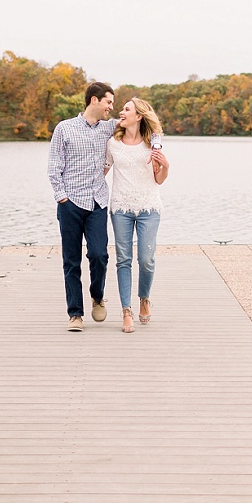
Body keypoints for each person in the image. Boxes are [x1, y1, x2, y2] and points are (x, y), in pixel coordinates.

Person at [46, 82, 118, 332]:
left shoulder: (110, 128)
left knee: (99, 255)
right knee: (71, 260)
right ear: (94, 100)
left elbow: (144, 124)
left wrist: (157, 143)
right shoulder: (64, 128)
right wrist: (61, 196)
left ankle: (97, 296)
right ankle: (75, 314)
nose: (112, 107)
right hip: (71, 203)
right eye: (109, 102)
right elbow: (54, 166)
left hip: (97, 201)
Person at [106, 97, 169, 332]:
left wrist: (166, 166)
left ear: (139, 116)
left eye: (126, 109)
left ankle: (144, 298)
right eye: (121, 109)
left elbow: (159, 179)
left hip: (149, 208)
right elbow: (102, 170)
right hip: (120, 207)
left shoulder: (153, 143)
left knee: (146, 259)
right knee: (123, 259)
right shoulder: (113, 142)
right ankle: (126, 310)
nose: (121, 112)